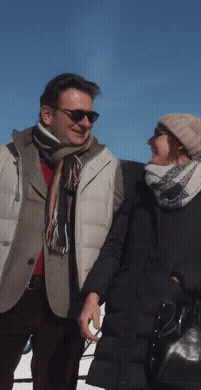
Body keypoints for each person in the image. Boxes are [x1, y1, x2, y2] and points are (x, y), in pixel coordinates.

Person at [78, 113, 201, 389]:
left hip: (176, 327)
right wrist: (94, 295)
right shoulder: (141, 192)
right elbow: (115, 248)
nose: (149, 141)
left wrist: (179, 283)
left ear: (179, 144)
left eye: (157, 134)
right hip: (124, 324)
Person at [0, 73, 124, 390]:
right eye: (76, 114)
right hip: (7, 293)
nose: (85, 123)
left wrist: (99, 294)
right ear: (47, 114)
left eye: (91, 115)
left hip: (68, 299)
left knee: (57, 384)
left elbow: (116, 237)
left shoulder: (105, 165)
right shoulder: (7, 155)